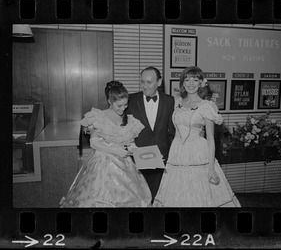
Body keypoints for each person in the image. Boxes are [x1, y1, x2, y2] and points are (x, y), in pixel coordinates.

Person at [153, 66, 241, 207]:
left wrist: (211, 168)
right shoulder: (176, 102)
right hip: (177, 153)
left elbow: (211, 139)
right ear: (182, 83)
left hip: (198, 153)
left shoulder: (206, 106)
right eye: (187, 80)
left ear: (201, 82)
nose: (191, 83)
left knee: (200, 195)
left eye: (195, 80)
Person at [60, 81, 152, 207]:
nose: (122, 108)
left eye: (125, 105)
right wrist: (116, 151)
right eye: (119, 106)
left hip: (124, 165)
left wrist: (148, 156)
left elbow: (131, 145)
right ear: (110, 101)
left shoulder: (129, 119)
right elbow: (94, 143)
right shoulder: (99, 116)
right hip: (103, 164)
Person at [127, 66, 175, 203]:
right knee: (138, 197)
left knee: (157, 196)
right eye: (142, 82)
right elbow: (119, 122)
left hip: (161, 156)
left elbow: (172, 130)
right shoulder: (130, 100)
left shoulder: (170, 101)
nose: (144, 86)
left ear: (159, 83)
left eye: (149, 82)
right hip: (137, 156)